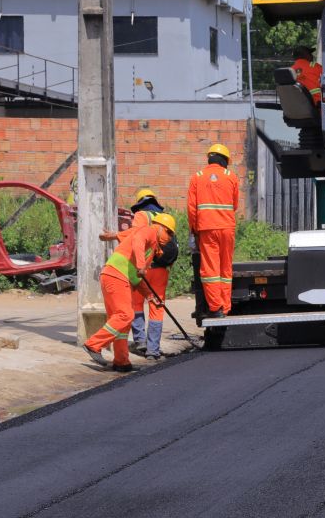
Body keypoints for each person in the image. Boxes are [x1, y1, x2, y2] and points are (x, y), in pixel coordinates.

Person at [84, 208, 178, 372]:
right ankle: (93, 345)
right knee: (126, 315)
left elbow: (136, 277)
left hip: (118, 277)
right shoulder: (148, 231)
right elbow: (138, 242)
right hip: (115, 276)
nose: (169, 237)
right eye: (168, 232)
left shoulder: (153, 247)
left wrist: (150, 296)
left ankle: (121, 361)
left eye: (171, 235)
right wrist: (141, 265)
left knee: (122, 323)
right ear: (160, 226)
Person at [120, 188, 179, 359]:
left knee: (137, 304)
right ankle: (153, 350)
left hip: (144, 269)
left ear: (139, 202)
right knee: (157, 307)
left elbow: (135, 238)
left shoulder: (141, 216)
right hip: (162, 271)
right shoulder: (165, 220)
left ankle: (140, 341)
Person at [186, 143, 241, 319]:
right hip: (227, 228)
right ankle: (225, 307)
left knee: (210, 270)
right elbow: (235, 204)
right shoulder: (231, 177)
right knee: (225, 268)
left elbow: (191, 209)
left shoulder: (197, 177)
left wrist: (194, 230)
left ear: (209, 158)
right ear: (225, 160)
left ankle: (215, 307)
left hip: (207, 229)